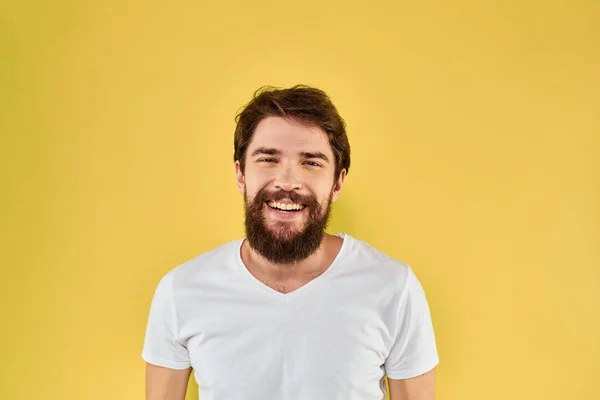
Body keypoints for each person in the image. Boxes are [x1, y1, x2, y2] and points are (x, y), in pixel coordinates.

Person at [142, 85, 440, 400]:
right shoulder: (181, 291)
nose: (287, 182)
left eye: (311, 162)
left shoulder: (393, 287)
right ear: (241, 175)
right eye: (268, 159)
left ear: (337, 182)